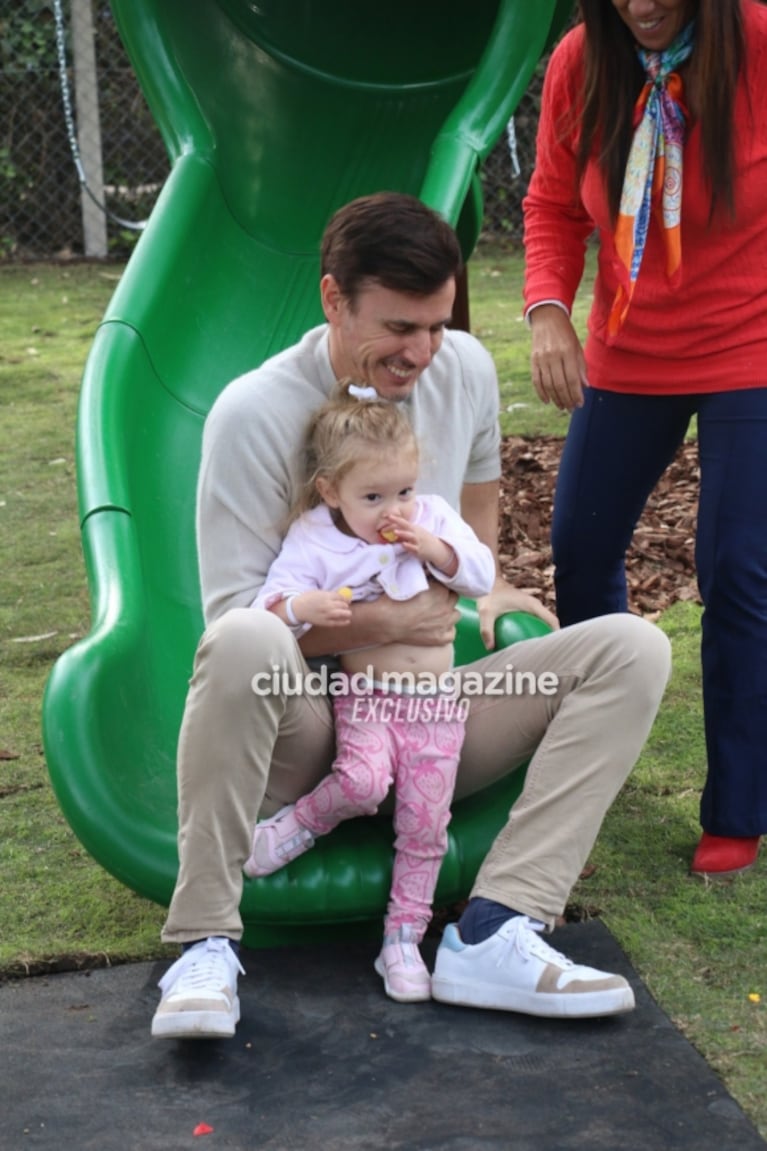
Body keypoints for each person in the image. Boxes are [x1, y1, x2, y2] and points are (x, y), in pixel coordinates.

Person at [151, 191, 671, 1041]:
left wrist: (488, 588)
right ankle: (203, 939)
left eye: (434, 324)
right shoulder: (251, 415)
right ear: (332, 299)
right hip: (313, 727)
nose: (421, 352)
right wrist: (394, 623)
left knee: (630, 648)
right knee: (245, 636)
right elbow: (241, 634)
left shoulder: (460, 367)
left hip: (430, 712)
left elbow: (477, 500)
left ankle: (496, 926)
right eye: (398, 328)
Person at [522, 0, 767, 879]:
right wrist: (549, 308)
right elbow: (553, 203)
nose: (643, 3)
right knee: (580, 545)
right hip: (628, 344)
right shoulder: (580, 63)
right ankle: (599, 743)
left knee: (736, 565)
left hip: (750, 343)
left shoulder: (757, 42)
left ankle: (738, 802)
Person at [246, 379, 496, 1002]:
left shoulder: (430, 518)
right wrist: (306, 605)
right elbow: (267, 606)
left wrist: (433, 547)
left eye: (405, 490)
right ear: (331, 491)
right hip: (366, 697)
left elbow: (481, 572)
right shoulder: (314, 536)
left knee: (424, 823)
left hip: (435, 705)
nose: (396, 508)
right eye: (374, 495)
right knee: (361, 782)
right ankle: (295, 826)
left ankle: (403, 941)